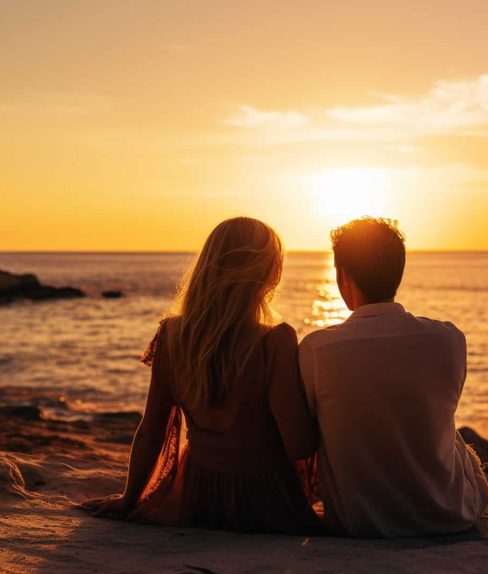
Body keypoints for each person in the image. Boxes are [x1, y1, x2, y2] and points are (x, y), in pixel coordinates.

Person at [82, 217, 323, 534]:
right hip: (261, 501)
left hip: (195, 495)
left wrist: (130, 498)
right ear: (268, 273)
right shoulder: (275, 340)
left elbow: (151, 428)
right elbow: (299, 445)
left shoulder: (172, 334)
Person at [299, 217, 488, 538]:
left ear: (342, 276)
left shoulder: (317, 349)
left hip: (358, 521)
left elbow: (305, 435)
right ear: (397, 274)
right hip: (449, 516)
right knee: (449, 433)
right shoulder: (450, 339)